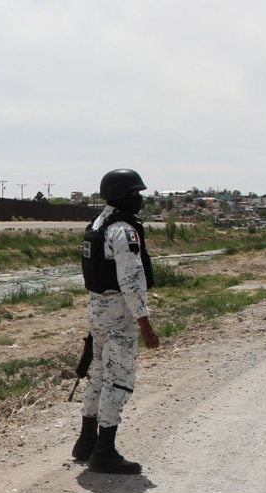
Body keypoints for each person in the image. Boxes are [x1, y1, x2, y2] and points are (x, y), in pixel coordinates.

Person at [72, 168, 160, 475]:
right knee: (118, 378)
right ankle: (105, 451)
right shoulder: (123, 230)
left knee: (97, 373)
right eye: (136, 194)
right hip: (118, 311)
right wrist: (145, 324)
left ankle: (86, 442)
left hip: (96, 308)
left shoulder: (97, 224)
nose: (139, 199)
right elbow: (132, 281)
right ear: (124, 195)